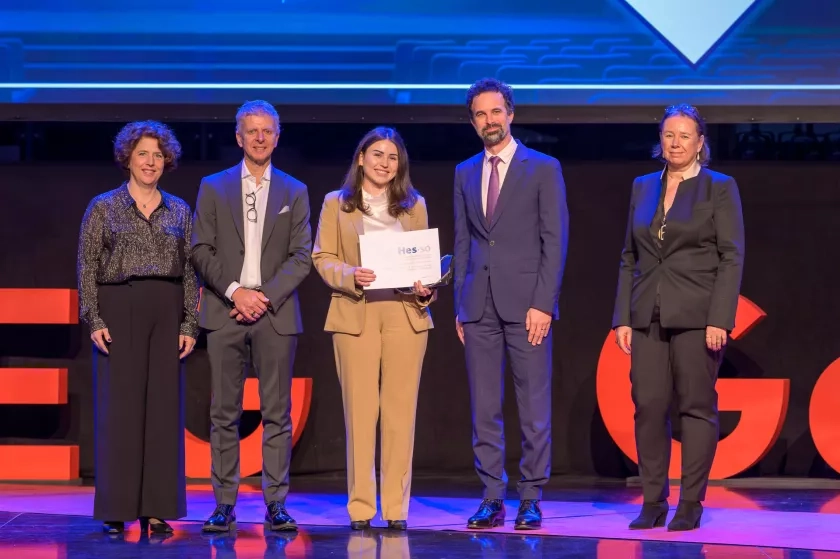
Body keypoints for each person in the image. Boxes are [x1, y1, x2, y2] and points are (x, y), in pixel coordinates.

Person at [612, 104, 745, 532]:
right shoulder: (642, 186)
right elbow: (629, 255)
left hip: (697, 314)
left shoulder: (719, 187)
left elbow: (731, 257)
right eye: (669, 135)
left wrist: (720, 318)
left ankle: (690, 502)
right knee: (648, 406)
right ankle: (653, 501)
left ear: (700, 142)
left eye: (685, 135)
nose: (676, 143)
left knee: (696, 407)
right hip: (646, 312)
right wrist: (622, 318)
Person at [190, 100, 312, 533]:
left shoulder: (294, 191)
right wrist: (236, 292)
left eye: (267, 131)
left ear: (277, 137)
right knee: (224, 412)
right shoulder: (213, 186)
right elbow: (200, 247)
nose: (260, 137)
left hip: (275, 315)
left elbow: (302, 257)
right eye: (252, 131)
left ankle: (276, 503)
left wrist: (263, 296)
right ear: (238, 137)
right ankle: (223, 504)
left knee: (277, 413)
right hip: (224, 313)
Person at [453, 78, 569, 530]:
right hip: (478, 306)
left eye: (496, 112)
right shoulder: (465, 172)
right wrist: (461, 305)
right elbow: (463, 241)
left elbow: (554, 240)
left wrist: (544, 303)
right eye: (480, 115)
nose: (489, 121)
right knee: (485, 407)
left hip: (527, 307)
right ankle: (492, 496)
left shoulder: (543, 167)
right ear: (473, 121)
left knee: (533, 404)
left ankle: (531, 496)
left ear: (511, 114)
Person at [77, 120, 198, 535]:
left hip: (166, 311)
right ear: (128, 157)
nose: (150, 162)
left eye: (158, 155)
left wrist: (189, 322)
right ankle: (116, 507)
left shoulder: (180, 210)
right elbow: (86, 266)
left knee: (163, 411)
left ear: (168, 161)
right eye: (143, 153)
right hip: (118, 307)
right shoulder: (103, 206)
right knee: (120, 411)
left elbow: (189, 274)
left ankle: (157, 507)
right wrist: (93, 317)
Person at [312, 126, 435, 531]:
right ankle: (362, 507)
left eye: (393, 157)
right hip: (355, 314)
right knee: (360, 415)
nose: (384, 163)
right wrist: (351, 274)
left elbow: (424, 268)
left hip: (404, 315)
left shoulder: (414, 205)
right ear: (361, 158)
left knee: (401, 415)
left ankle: (397, 508)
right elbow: (323, 256)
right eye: (377, 154)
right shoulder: (337, 203)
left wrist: (424, 290)